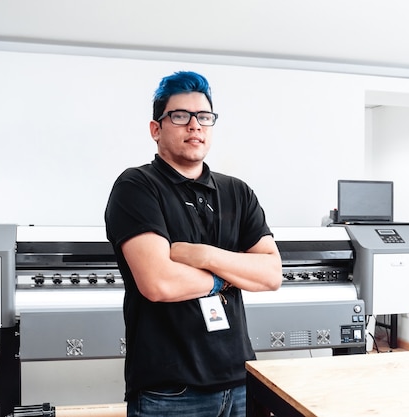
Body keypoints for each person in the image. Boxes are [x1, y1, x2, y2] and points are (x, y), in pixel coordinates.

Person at [104, 71, 283, 417]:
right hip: (170, 390)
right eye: (180, 116)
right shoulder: (137, 187)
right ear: (156, 129)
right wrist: (229, 275)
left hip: (241, 379)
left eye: (204, 117)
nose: (194, 126)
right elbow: (159, 282)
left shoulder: (237, 192)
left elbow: (271, 274)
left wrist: (203, 255)